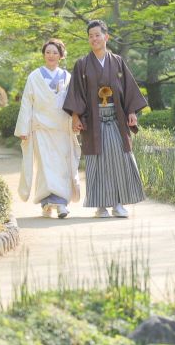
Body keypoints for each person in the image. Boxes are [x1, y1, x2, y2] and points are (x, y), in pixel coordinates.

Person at [62, 20, 147, 218]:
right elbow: (76, 92)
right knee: (97, 161)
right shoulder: (82, 64)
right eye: (91, 36)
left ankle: (118, 204)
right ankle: (101, 205)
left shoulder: (117, 61)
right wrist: (75, 116)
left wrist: (132, 111)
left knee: (120, 159)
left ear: (106, 37)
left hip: (116, 119)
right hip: (93, 121)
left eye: (97, 35)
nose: (94, 39)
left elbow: (128, 89)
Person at [14, 39, 81, 218]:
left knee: (62, 166)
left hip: (62, 128)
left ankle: (61, 203)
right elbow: (27, 103)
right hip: (41, 128)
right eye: (48, 52)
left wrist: (76, 121)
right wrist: (23, 128)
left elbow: (74, 101)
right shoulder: (34, 76)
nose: (51, 55)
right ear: (44, 54)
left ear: (61, 55)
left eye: (55, 52)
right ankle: (47, 201)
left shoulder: (67, 77)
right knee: (45, 166)